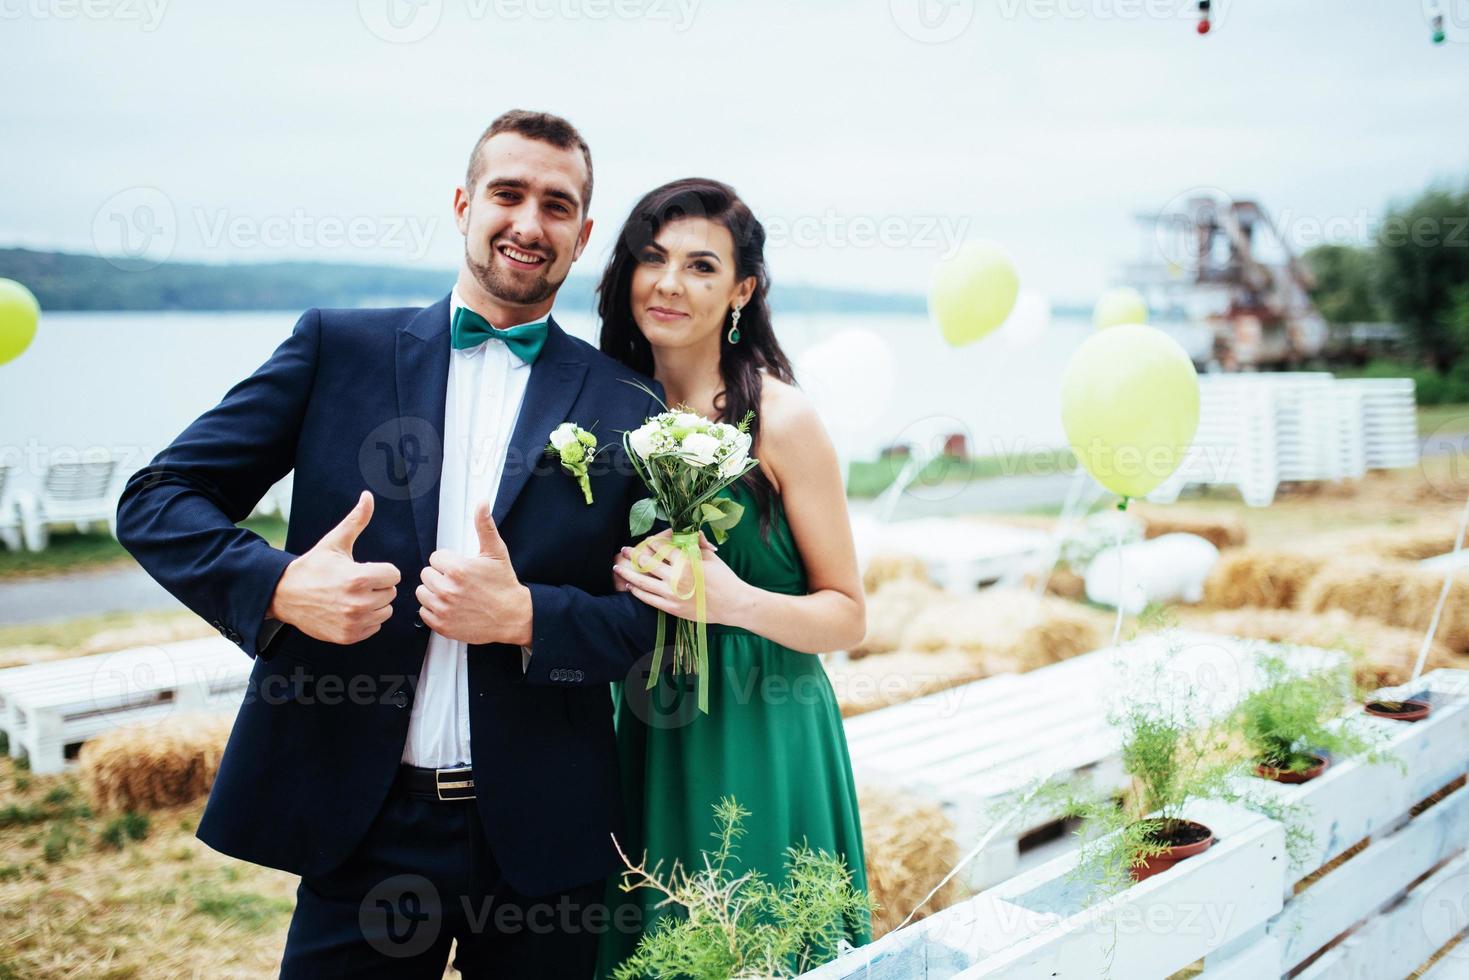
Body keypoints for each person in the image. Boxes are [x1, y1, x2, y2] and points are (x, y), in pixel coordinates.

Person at [116, 109, 663, 978]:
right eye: (507, 194)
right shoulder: (338, 348)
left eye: (556, 206)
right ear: (461, 204)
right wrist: (278, 586)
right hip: (361, 826)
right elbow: (157, 499)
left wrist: (529, 618)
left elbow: (653, 628)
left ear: (583, 233)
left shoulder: (631, 403)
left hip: (543, 833)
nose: (528, 223)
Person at [592, 177, 872, 977]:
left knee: (755, 939)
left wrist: (735, 601)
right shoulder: (602, 410)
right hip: (641, 724)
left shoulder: (781, 420)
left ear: (741, 289)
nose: (670, 283)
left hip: (762, 725)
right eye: (652, 258)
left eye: (701, 266)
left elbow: (848, 615)